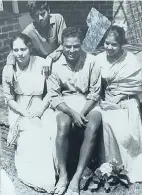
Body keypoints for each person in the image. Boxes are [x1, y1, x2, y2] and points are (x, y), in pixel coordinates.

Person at [47, 27, 102, 195]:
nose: (72, 50)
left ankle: (76, 177)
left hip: (88, 103)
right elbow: (54, 96)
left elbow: (94, 92)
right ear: (62, 46)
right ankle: (63, 174)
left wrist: (82, 113)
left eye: (76, 46)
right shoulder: (55, 66)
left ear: (82, 45)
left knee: (92, 126)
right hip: (66, 103)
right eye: (68, 46)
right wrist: (72, 113)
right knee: (63, 125)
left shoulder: (91, 61)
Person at [2, 33, 57, 192]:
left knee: (50, 128)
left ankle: (55, 172)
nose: (19, 53)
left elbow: (51, 91)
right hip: (19, 107)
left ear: (30, 48)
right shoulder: (8, 69)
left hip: (41, 104)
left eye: (23, 49)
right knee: (32, 133)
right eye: (16, 50)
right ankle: (37, 179)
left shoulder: (41, 63)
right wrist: (25, 113)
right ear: (12, 51)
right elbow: (9, 98)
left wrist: (40, 109)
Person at [95, 25, 142, 183]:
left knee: (126, 123)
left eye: (114, 44)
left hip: (126, 98)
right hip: (107, 98)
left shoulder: (129, 59)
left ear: (122, 44)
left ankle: (128, 165)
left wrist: (120, 98)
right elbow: (95, 84)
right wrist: (103, 100)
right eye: (107, 43)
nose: (109, 47)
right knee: (107, 120)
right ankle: (110, 165)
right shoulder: (99, 58)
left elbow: (135, 86)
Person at [6, 0, 66, 81]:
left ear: (48, 10)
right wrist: (9, 66)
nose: (40, 18)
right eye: (36, 16)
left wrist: (51, 57)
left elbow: (65, 44)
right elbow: (14, 50)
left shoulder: (58, 19)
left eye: (42, 14)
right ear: (32, 17)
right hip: (43, 66)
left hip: (60, 59)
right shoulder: (29, 31)